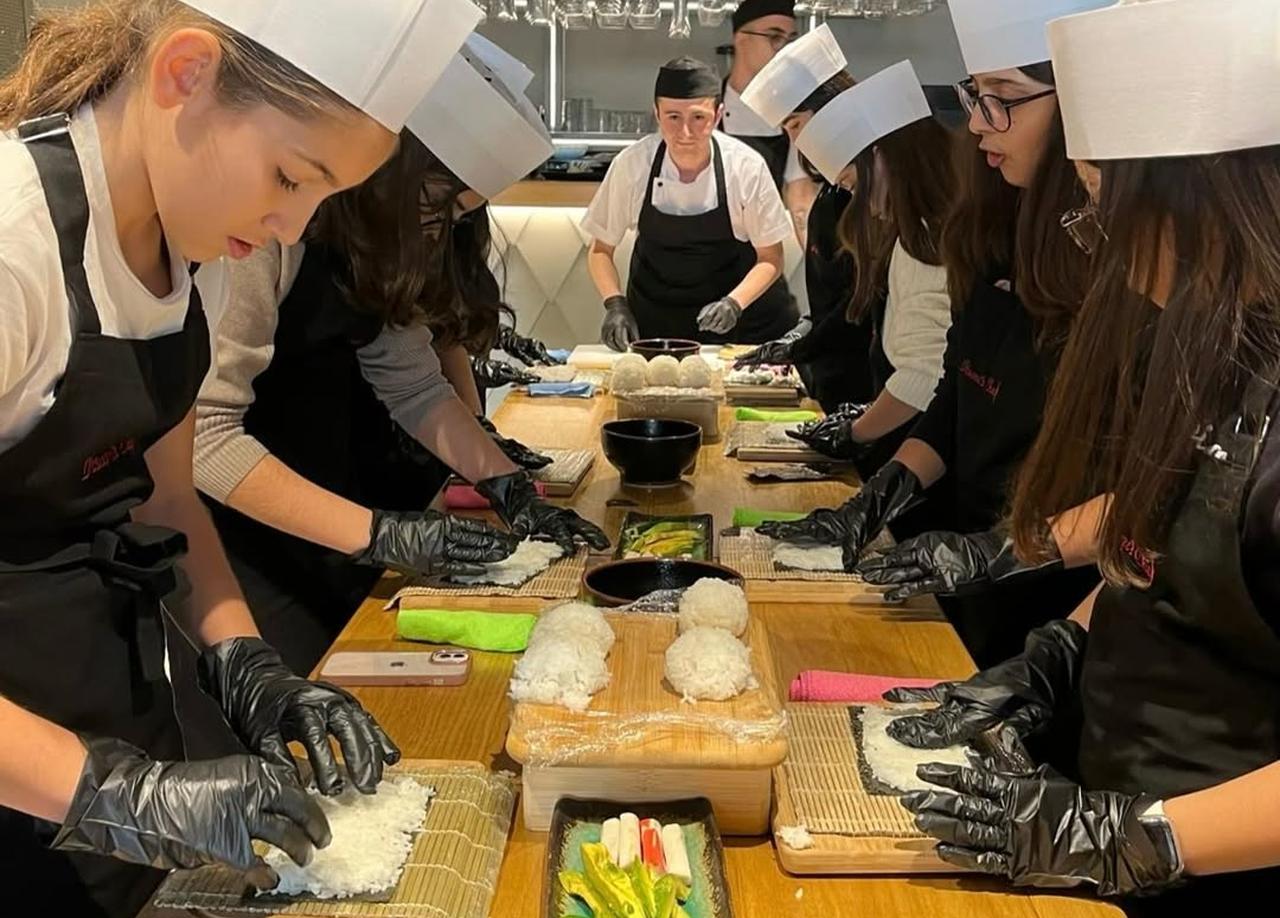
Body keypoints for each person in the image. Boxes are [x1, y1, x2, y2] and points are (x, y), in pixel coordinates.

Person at [0, 0, 480, 913]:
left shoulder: (192, 253)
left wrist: (249, 663)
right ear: (186, 72)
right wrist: (112, 793)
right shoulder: (12, 247)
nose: (293, 227)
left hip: (103, 732)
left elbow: (166, 498)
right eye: (290, 176)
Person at [896, 0, 1280, 910]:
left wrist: (1137, 840)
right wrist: (1059, 651)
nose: (1095, 241)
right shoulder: (1214, 356)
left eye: (1104, 206)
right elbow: (1163, 550)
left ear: (1197, 201)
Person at [195, 37, 608, 677]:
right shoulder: (267, 233)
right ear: (392, 169)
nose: (439, 232)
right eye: (440, 204)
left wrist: (509, 487)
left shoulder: (375, 241)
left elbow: (416, 387)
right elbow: (207, 437)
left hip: (336, 508)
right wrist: (381, 534)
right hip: (242, 537)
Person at [778, 0, 1107, 667]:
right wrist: (882, 493)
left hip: (1058, 580)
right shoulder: (988, 226)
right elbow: (956, 394)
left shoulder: (1115, 261)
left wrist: (1003, 552)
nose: (981, 123)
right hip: (967, 547)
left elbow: (1143, 497)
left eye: (1005, 98)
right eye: (977, 97)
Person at [743, 61, 952, 508]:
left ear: (882, 158)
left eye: (855, 185)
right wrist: (804, 336)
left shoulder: (924, 242)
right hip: (901, 428)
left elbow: (922, 373)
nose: (865, 207)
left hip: (921, 446)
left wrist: (858, 430)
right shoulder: (911, 232)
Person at [586, 57, 800, 349]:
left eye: (698, 118)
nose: (685, 132)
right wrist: (615, 305)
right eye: (673, 117)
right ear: (657, 114)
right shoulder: (633, 164)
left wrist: (734, 304)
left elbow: (771, 257)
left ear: (718, 114)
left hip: (731, 331)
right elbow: (600, 249)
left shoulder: (746, 167)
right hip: (652, 329)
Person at [734, 26, 876, 412]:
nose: (795, 141)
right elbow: (833, 298)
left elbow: (862, 306)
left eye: (796, 125)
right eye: (787, 130)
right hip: (829, 387)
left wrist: (800, 344)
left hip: (871, 393)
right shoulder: (832, 194)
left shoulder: (879, 196)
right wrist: (802, 330)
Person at [719, 0, 817, 239]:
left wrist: (818, 268)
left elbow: (800, 197)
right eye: (775, 37)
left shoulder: (795, 116)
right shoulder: (703, 107)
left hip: (766, 255)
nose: (785, 50)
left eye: (791, 40)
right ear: (741, 38)